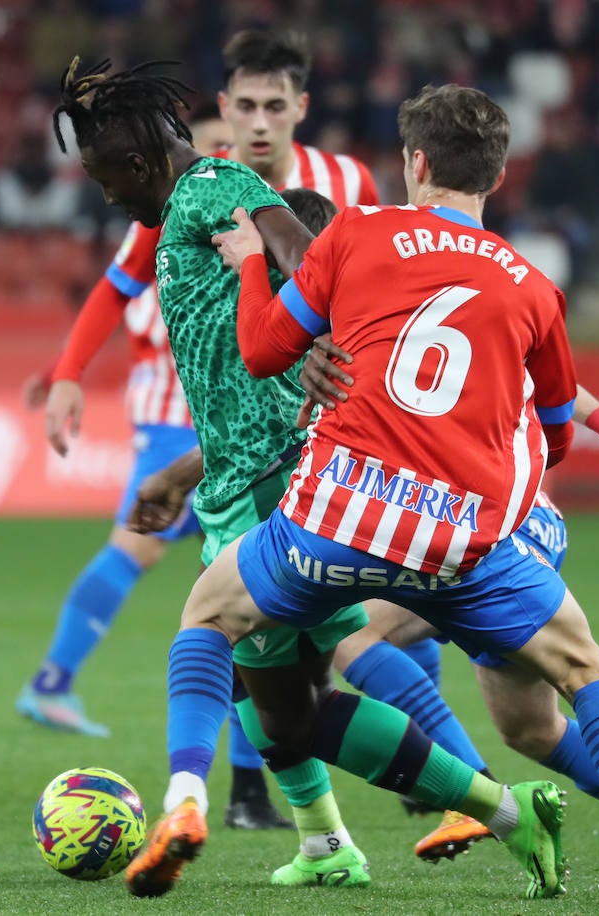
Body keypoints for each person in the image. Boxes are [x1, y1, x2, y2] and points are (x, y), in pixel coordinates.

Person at [150, 84, 599, 914]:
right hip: (473, 533)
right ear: (501, 174)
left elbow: (263, 351)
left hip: (345, 515)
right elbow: (552, 438)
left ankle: (189, 798)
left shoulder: (359, 234)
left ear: (415, 162)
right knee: (579, 675)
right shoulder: (531, 288)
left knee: (214, 615)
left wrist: (252, 266)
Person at [54, 59, 569, 903]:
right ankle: (476, 816)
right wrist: (190, 469)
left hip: (268, 488)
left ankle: (185, 804)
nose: (109, 199)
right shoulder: (191, 200)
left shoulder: (214, 185)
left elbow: (300, 246)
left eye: (107, 180)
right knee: (287, 709)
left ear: (141, 166)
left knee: (214, 633)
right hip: (244, 473)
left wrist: (326, 324)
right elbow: (240, 370)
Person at [18, 28, 377, 828]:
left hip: (289, 440)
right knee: (296, 665)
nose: (257, 119)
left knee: (237, 633)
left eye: (272, 105)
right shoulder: (179, 197)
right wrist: (73, 374)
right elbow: (119, 287)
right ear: (223, 106)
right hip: (220, 437)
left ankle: (199, 800)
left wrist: (329, 343)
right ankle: (329, 821)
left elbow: (327, 264)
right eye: (243, 103)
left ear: (298, 109)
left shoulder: (297, 182)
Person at [300, 342, 599, 875]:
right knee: (531, 731)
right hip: (477, 518)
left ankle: (472, 794)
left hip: (498, 518)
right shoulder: (432, 311)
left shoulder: (440, 313)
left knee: (353, 632)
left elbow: (552, 383)